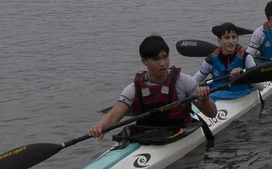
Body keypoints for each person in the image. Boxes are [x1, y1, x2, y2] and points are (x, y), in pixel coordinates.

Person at [86, 35, 216, 140]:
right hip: (146, 136)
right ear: (144, 61)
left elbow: (212, 113)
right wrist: (100, 127)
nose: (163, 63)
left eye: (165, 57)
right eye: (156, 59)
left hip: (180, 133)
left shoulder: (185, 82)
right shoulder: (133, 89)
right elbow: (114, 116)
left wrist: (205, 99)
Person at [202, 22, 257, 97]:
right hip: (216, 97)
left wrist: (244, 74)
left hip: (240, 96)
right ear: (219, 40)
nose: (231, 41)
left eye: (234, 37)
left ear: (237, 39)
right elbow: (194, 82)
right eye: (227, 38)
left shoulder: (246, 58)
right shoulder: (210, 60)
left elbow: (261, 86)